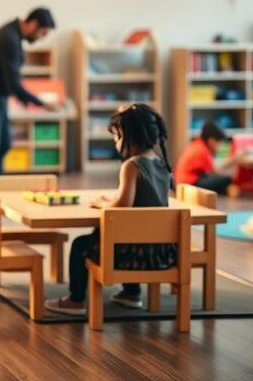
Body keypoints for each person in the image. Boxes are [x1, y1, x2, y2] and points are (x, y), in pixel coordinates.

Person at [45, 104, 176, 316]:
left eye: (117, 137)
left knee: (81, 245)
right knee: (107, 234)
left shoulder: (132, 165)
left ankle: (75, 300)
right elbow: (142, 201)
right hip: (159, 251)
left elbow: (121, 208)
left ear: (129, 137)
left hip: (134, 253)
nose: (116, 143)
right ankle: (131, 293)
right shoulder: (162, 164)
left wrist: (103, 203)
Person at [0, 7, 57, 210]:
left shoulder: (12, 32)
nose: (41, 38)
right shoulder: (9, 39)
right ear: (33, 24)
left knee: (3, 143)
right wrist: (41, 103)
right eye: (42, 33)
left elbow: (10, 81)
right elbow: (13, 83)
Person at [174, 121, 237, 194]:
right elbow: (215, 172)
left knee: (215, 180)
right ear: (211, 141)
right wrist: (233, 160)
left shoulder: (198, 144)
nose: (221, 146)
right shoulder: (202, 151)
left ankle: (227, 190)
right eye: (220, 143)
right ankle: (227, 190)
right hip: (188, 184)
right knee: (227, 179)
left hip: (182, 183)